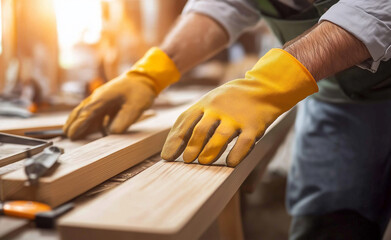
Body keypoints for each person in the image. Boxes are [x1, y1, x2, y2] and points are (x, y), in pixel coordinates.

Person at [63, 0, 391, 238]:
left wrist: (269, 85)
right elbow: (223, 4)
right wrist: (152, 72)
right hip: (337, 104)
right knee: (329, 227)